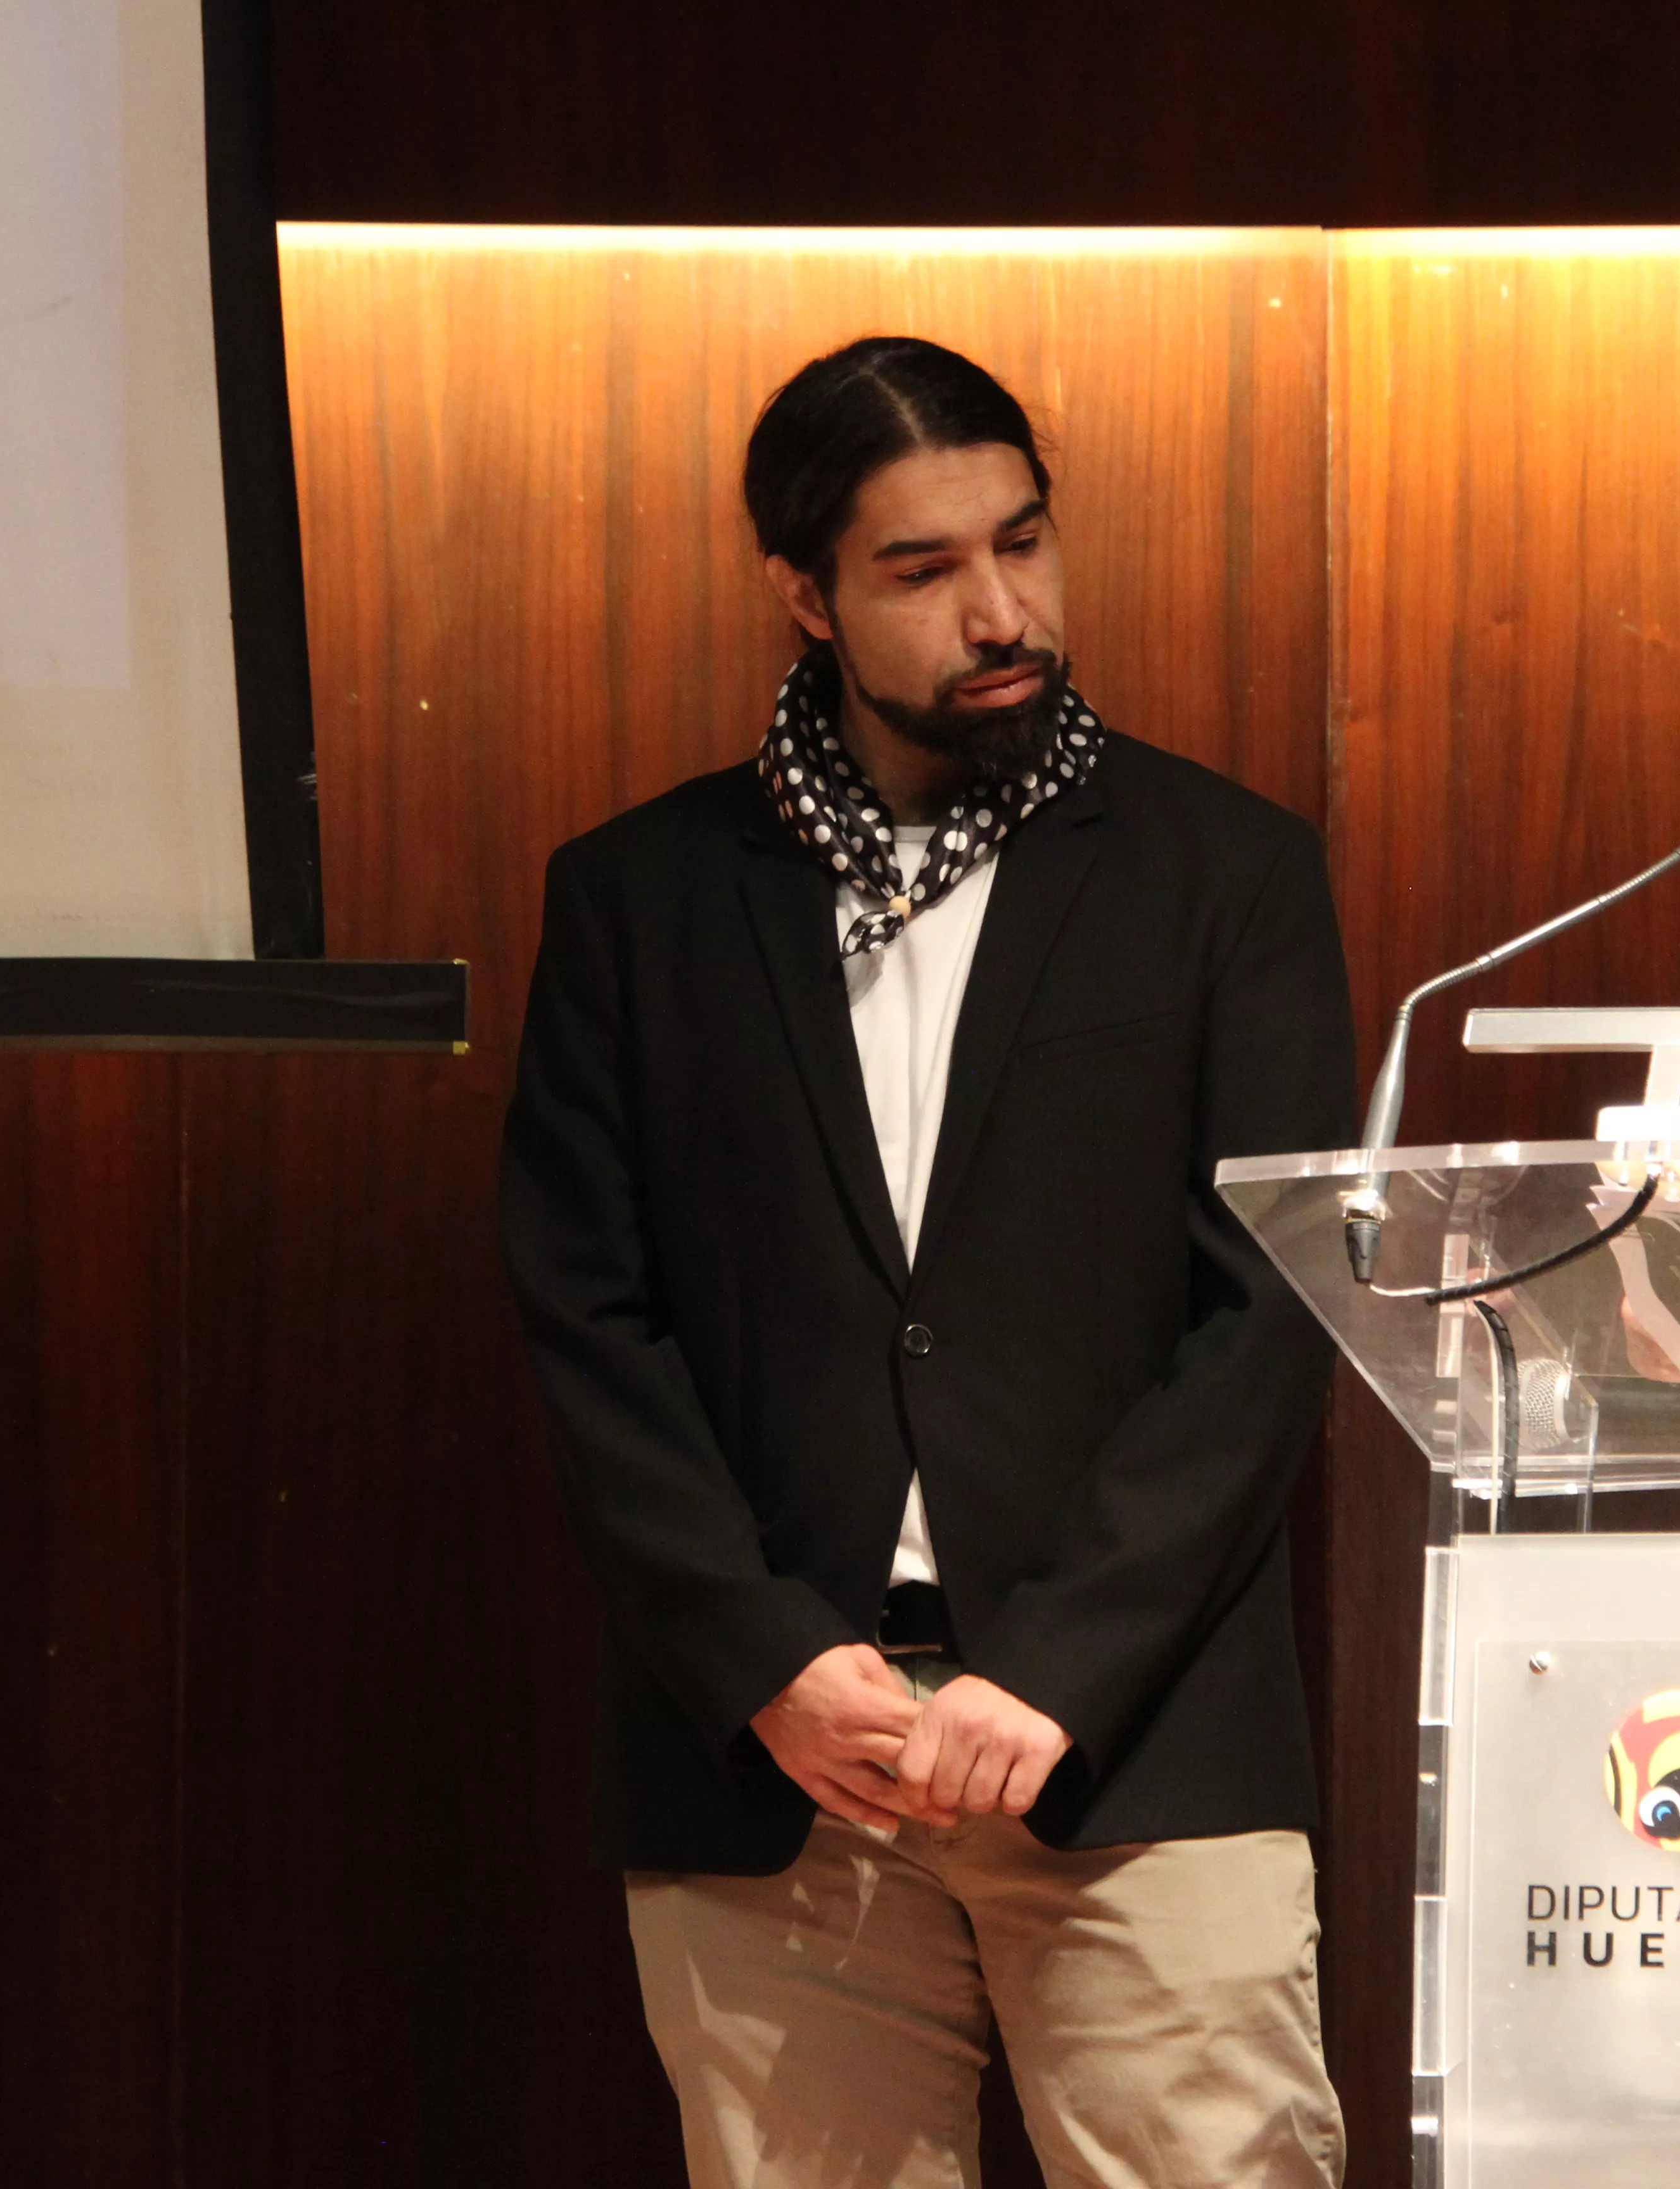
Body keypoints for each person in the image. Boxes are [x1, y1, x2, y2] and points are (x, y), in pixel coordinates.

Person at [500, 335, 1355, 2189]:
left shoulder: (1226, 874)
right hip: (780, 1764)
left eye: (1024, 542)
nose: (1001, 607)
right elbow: (589, 1322)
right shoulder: (638, 901)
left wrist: (1051, 1666)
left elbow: (1273, 1307)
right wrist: (763, 1658)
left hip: (1141, 1748)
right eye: (922, 569)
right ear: (802, 593)